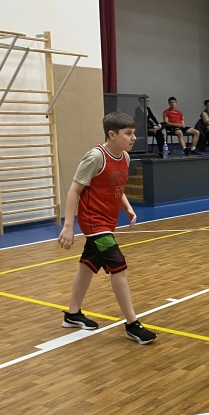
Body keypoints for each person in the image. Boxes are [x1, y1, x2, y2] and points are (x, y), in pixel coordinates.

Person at [57, 112, 157, 345]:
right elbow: (74, 190)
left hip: (108, 222)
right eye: (128, 133)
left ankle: (72, 314)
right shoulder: (95, 157)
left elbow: (117, 188)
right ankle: (132, 324)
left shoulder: (125, 157)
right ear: (112, 134)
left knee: (88, 265)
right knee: (118, 267)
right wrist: (68, 226)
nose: (133, 138)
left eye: (134, 133)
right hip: (94, 222)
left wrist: (127, 208)